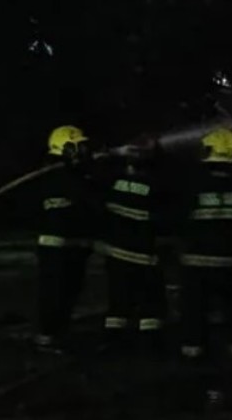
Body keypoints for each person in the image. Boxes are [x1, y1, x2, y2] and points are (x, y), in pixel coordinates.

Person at [177, 127, 232, 402]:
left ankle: (192, 364)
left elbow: (178, 219)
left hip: (197, 266)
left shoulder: (192, 185)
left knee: (194, 314)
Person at [98, 136, 168, 355]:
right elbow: (166, 219)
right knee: (151, 301)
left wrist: (109, 155)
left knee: (118, 300)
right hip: (145, 255)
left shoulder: (114, 181)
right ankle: (151, 344)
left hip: (116, 253)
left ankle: (112, 341)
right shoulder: (157, 185)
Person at [33, 125, 99, 353]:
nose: (85, 151)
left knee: (70, 292)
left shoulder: (74, 174)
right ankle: (47, 336)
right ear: (66, 147)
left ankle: (59, 334)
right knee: (55, 293)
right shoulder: (53, 174)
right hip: (56, 247)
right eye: (79, 146)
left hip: (73, 245)